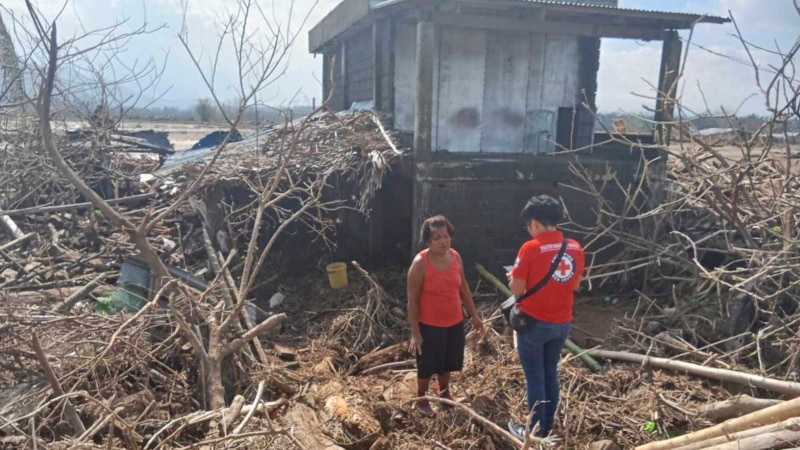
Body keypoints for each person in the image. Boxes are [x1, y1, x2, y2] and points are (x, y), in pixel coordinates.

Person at [506, 195, 585, 440]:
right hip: (562, 324)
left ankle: (535, 431)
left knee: (535, 378)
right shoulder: (574, 247)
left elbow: (517, 289)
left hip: (534, 324)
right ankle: (548, 424)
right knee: (550, 372)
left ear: (534, 223)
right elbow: (575, 285)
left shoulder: (530, 248)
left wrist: (513, 278)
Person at [407, 215, 485, 417]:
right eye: (437, 237)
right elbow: (412, 301)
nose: (443, 241)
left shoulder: (455, 257)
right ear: (427, 241)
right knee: (427, 365)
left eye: (446, 236)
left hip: (454, 321)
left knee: (449, 361)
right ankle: (422, 399)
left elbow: (464, 288)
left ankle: (445, 394)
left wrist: (474, 315)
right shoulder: (420, 263)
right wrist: (415, 333)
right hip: (429, 325)